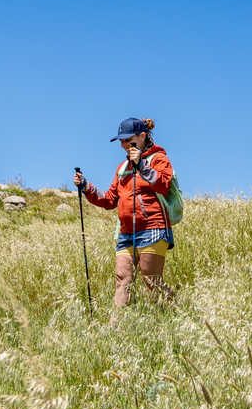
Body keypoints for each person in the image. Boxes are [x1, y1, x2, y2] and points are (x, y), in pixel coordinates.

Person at [73, 117, 176, 309]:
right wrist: (86, 187)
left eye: (127, 140)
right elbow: (110, 200)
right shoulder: (122, 168)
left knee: (151, 280)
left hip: (153, 228)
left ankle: (176, 314)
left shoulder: (159, 158)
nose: (123, 145)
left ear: (142, 136)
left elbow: (163, 184)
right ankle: (115, 330)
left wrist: (141, 166)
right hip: (126, 234)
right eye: (121, 141)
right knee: (122, 280)